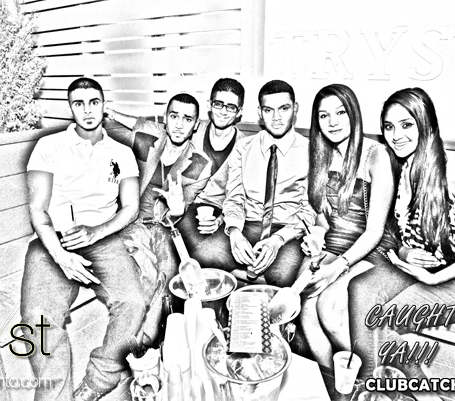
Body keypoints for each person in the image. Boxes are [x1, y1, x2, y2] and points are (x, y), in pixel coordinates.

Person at [348, 88, 455, 392]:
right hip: (426, 271)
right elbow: (398, 231)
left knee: (380, 322)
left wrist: (436, 278)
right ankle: (378, 389)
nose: (396, 135)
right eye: (389, 127)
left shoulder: (453, 169)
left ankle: (420, 394)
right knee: (363, 297)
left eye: (407, 125)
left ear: (426, 124)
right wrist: (405, 251)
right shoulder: (401, 166)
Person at [21, 77, 145, 401]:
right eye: (79, 103)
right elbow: (38, 210)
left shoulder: (122, 153)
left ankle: (99, 380)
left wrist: (97, 231)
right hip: (53, 241)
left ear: (104, 106)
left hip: (103, 239)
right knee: (38, 320)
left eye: (94, 102)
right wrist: (60, 255)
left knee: (133, 303)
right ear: (71, 108)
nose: (87, 110)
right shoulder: (49, 147)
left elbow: (130, 207)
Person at [297, 84, 396, 368]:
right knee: (306, 307)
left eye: (340, 112)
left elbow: (375, 231)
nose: (333, 122)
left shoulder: (376, 155)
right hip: (335, 245)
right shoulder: (322, 155)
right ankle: (333, 382)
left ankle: (372, 378)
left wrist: (337, 267)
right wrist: (317, 233)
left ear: (354, 114)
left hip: (373, 249)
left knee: (329, 308)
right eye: (324, 115)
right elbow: (324, 216)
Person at [107, 94, 212, 347]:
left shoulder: (200, 164)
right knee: (147, 271)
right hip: (131, 221)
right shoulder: (151, 136)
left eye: (187, 119)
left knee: (169, 274)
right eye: (174, 116)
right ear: (165, 118)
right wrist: (107, 110)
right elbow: (135, 122)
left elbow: (182, 209)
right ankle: (136, 342)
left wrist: (177, 209)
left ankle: (145, 342)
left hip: (164, 227)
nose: (179, 125)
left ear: (195, 125)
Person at [195, 80, 315, 287]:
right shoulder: (243, 148)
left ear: (295, 109)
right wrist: (234, 233)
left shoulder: (311, 152)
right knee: (204, 256)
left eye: (284, 108)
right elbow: (234, 198)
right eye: (268, 110)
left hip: (287, 229)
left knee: (282, 277)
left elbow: (309, 211)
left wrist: (278, 240)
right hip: (248, 224)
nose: (276, 118)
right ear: (260, 112)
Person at [176, 78, 248, 254]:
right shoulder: (193, 129)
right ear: (209, 105)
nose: (223, 112)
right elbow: (158, 131)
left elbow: (242, 197)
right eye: (218, 104)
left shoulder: (245, 147)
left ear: (239, 112)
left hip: (217, 214)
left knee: (211, 252)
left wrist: (220, 220)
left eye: (231, 107)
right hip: (181, 204)